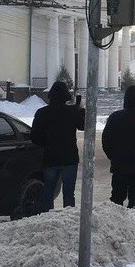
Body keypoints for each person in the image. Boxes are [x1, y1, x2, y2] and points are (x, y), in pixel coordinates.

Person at [30, 81, 85, 212]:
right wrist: (81, 111)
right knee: (69, 192)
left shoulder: (42, 113)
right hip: (69, 158)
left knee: (48, 190)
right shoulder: (72, 112)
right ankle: (68, 215)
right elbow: (83, 126)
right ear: (66, 96)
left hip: (50, 158)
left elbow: (35, 137)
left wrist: (46, 144)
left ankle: (48, 215)